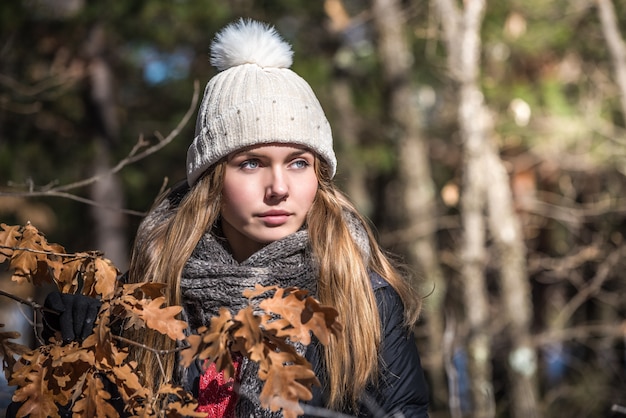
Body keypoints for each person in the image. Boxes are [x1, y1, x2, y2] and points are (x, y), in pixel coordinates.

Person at [11, 18, 430, 418]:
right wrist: (67, 356)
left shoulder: (361, 300)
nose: (279, 187)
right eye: (251, 163)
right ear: (212, 180)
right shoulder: (150, 296)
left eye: (299, 163)